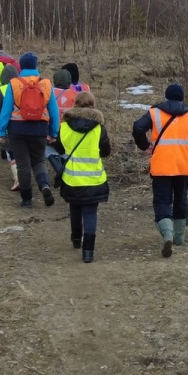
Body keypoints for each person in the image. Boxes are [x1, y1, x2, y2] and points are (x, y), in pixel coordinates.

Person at [132, 82, 188, 257]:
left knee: (162, 201)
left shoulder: (154, 113)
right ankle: (179, 237)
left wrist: (144, 146)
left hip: (160, 166)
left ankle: (167, 233)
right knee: (180, 199)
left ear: (166, 97)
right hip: (183, 167)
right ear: (182, 98)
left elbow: (137, 127)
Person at [0, 51, 56, 207]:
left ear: (21, 66)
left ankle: (27, 199)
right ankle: (44, 186)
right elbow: (54, 111)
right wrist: (53, 132)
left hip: (17, 130)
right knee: (38, 160)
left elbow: (6, 110)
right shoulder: (46, 84)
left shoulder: (14, 83)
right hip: (40, 129)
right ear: (35, 66)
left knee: (23, 164)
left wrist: (1, 132)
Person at [57, 88, 112, 262]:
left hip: (71, 178)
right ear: (93, 105)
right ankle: (88, 251)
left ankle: (75, 239)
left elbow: (59, 148)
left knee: (74, 207)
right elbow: (105, 151)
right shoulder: (99, 128)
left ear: (75, 105)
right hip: (94, 178)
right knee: (90, 213)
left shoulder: (64, 126)